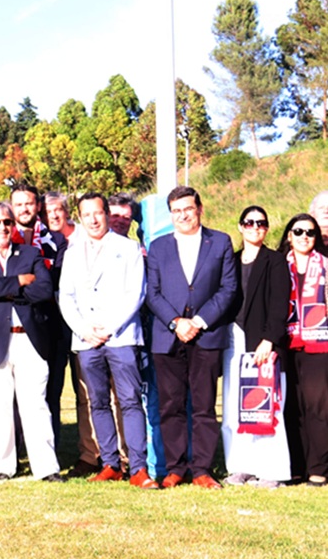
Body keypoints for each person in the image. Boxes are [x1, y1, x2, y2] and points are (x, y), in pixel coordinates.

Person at [58, 193, 156, 488]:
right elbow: (66, 296)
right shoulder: (73, 251)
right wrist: (84, 329)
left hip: (121, 337)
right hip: (86, 339)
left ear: (106, 214)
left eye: (98, 213)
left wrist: (109, 328)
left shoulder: (127, 248)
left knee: (129, 401)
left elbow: (136, 293)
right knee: (97, 402)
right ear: (80, 217)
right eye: (86, 214)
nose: (93, 219)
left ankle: (138, 467)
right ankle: (110, 463)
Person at [145, 186, 238, 489]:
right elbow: (152, 293)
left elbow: (228, 289)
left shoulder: (220, 242)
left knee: (203, 405)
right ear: (170, 214)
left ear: (199, 208)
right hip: (167, 336)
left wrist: (197, 322)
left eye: (187, 208)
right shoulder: (158, 247)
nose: (182, 215)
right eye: (175, 211)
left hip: (206, 335)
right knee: (170, 405)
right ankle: (175, 468)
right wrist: (176, 323)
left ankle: (201, 469)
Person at [0, 203, 62, 482]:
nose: (2, 227)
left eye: (7, 222)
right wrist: (20, 280)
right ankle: (2, 467)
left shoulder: (30, 253)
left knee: (35, 405)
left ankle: (46, 468)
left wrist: (1, 285)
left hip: (29, 338)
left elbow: (43, 290)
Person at [219, 206, 291, 488]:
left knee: (266, 405)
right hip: (232, 338)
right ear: (240, 227)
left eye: (261, 223)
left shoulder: (275, 261)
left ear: (267, 228)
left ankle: (272, 470)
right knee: (233, 406)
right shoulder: (231, 261)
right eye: (249, 223)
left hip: (262, 342)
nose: (255, 227)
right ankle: (239, 466)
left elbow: (279, 304)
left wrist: (269, 339)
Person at [10, 183, 68, 448]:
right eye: (19, 204)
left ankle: (49, 447)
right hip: (14, 325)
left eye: (29, 203)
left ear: (38, 207)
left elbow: (53, 286)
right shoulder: (2, 238)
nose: (24, 209)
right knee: (13, 394)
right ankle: (17, 449)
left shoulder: (56, 241)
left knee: (51, 391)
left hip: (52, 324)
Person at [279, 213, 328, 487]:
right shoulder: (278, 265)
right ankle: (295, 466)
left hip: (319, 344)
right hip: (286, 343)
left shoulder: (325, 265)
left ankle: (318, 468)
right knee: (291, 406)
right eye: (298, 231)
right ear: (289, 235)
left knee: (318, 407)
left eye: (310, 232)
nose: (304, 236)